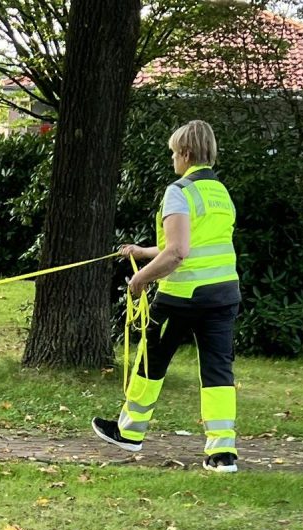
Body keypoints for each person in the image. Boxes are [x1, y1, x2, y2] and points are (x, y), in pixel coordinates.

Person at [91, 120, 241, 473]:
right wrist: (142, 252)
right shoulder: (220, 192)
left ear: (186, 154)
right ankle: (222, 454)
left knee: (151, 361)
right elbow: (188, 244)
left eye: (174, 153)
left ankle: (130, 431)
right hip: (223, 294)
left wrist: (139, 279)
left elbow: (177, 253)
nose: (173, 159)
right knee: (218, 371)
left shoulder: (179, 191)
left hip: (182, 296)